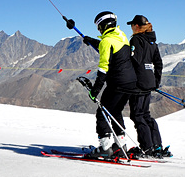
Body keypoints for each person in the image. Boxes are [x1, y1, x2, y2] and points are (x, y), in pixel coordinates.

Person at [72, 11, 138, 158]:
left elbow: (103, 69)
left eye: (98, 27)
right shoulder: (121, 35)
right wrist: (90, 41)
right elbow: (108, 45)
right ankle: (121, 146)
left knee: (102, 112)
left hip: (117, 82)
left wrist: (95, 90)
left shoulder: (107, 41)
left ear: (103, 25)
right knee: (114, 112)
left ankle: (105, 148)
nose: (99, 30)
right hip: (131, 82)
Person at [125, 15, 169, 157]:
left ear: (137, 26)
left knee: (138, 115)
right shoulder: (152, 42)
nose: (131, 27)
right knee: (146, 114)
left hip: (138, 83)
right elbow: (159, 63)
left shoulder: (136, 40)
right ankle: (157, 145)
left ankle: (146, 147)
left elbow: (134, 61)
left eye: (132, 25)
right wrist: (156, 81)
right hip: (149, 83)